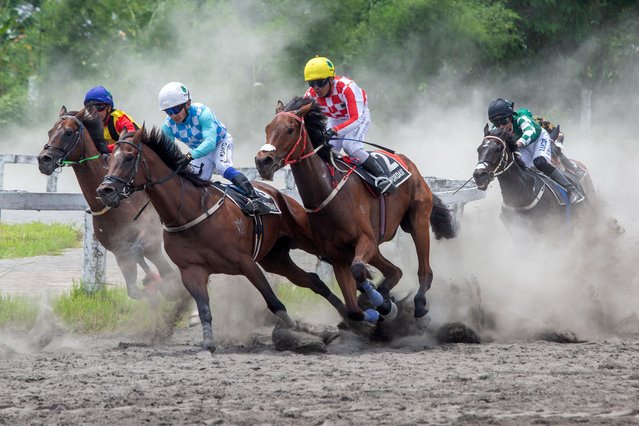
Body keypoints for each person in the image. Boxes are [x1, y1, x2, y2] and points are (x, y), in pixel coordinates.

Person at [158, 81, 268, 214]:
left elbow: (210, 143)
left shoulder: (202, 112)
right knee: (194, 182)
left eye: (176, 109)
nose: (173, 115)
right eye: (168, 112)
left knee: (223, 167)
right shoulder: (167, 126)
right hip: (200, 152)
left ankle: (255, 197)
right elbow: (169, 152)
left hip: (220, 142)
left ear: (187, 103)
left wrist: (188, 156)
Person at [303, 55, 395, 194]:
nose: (316, 88)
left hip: (358, 116)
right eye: (312, 83)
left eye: (320, 82)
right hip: (336, 119)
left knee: (351, 147)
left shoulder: (347, 87)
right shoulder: (310, 95)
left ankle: (383, 178)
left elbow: (355, 118)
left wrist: (334, 131)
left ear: (330, 78)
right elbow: (301, 117)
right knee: (325, 149)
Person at [488, 98, 584, 204]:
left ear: (511, 116)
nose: (501, 126)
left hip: (538, 139)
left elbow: (530, 132)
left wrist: (517, 144)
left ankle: (572, 190)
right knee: (520, 168)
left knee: (540, 162)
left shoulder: (521, 118)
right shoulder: (495, 130)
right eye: (496, 123)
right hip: (523, 147)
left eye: (504, 121)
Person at [83, 86, 139, 153]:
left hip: (138, 152)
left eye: (98, 107)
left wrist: (107, 149)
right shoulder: (91, 124)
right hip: (118, 154)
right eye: (90, 109)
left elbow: (130, 141)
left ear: (108, 108)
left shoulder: (119, 119)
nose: (94, 112)